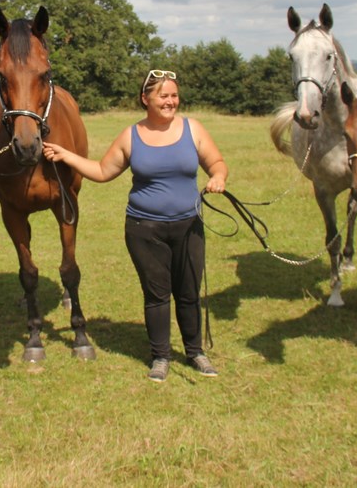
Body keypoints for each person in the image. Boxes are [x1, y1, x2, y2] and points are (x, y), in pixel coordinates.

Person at [43, 69, 228, 382]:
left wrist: (218, 176)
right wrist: (66, 155)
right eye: (163, 96)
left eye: (174, 95)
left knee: (188, 292)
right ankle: (160, 357)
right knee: (156, 294)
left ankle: (195, 352)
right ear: (146, 99)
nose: (170, 102)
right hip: (144, 229)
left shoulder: (192, 129)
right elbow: (102, 170)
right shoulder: (131, 136)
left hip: (188, 226)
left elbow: (216, 162)